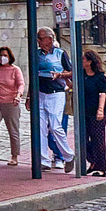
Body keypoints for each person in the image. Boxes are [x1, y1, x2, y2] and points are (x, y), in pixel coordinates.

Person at [36, 30, 74, 171]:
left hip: (56, 93)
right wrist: (29, 96)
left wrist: (60, 75)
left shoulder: (60, 53)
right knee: (40, 128)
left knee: (55, 126)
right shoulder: (37, 54)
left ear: (49, 39)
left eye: (41, 38)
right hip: (40, 92)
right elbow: (32, 74)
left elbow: (72, 71)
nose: (38, 41)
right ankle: (44, 159)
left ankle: (68, 155)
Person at [81, 49, 106, 176]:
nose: (82, 62)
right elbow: (73, 83)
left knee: (98, 138)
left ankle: (101, 167)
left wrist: (100, 110)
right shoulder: (82, 75)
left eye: (83, 60)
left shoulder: (100, 77)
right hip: (85, 110)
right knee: (84, 138)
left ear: (90, 61)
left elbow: (102, 94)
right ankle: (92, 161)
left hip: (97, 110)